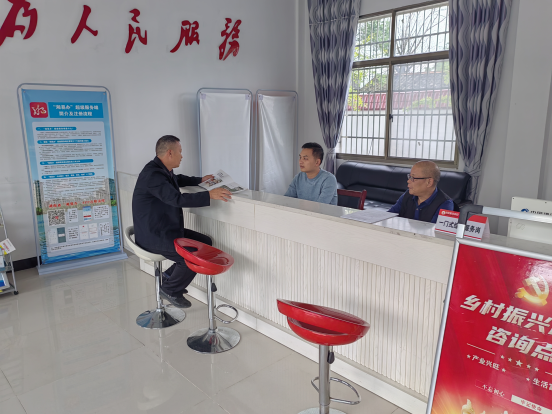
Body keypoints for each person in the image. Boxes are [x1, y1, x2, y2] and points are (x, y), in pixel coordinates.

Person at [132, 135, 232, 308]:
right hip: (154, 236)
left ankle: (169, 277)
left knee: (205, 243)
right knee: (193, 255)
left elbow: (177, 179)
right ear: (170, 153)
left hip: (164, 230)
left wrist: (200, 180)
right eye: (180, 151)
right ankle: (169, 289)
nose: (182, 155)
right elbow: (176, 199)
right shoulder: (153, 175)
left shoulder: (160, 170)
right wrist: (208, 195)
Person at [388, 160, 454, 223]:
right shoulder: (408, 195)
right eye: (409, 177)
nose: (408, 181)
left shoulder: (446, 205)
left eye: (413, 178)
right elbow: (388, 217)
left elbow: (437, 231)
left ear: (429, 182)